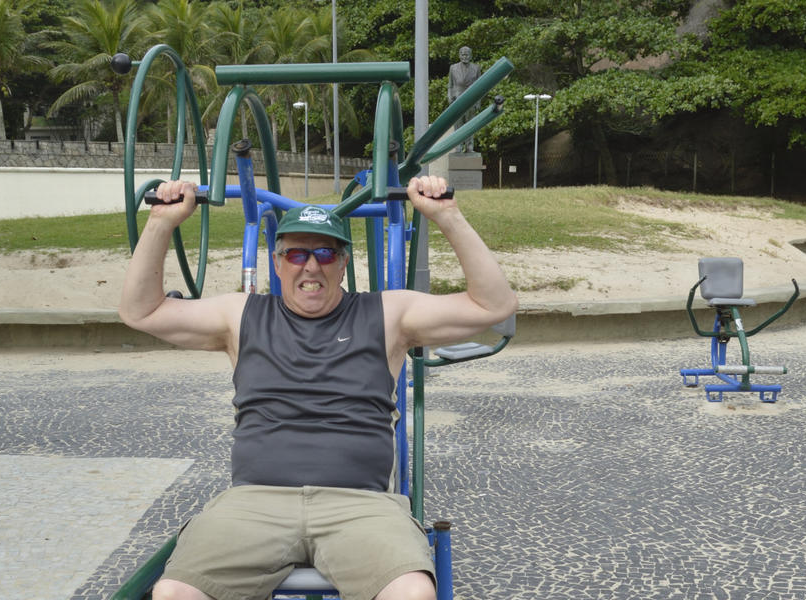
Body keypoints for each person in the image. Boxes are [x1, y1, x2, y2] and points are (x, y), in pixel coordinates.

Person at [120, 175, 517, 600]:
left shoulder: (387, 313)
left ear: (343, 262)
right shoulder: (240, 315)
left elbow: (493, 306)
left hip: (359, 507)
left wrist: (446, 214)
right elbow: (140, 312)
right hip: (254, 504)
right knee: (174, 593)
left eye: (325, 252)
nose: (311, 266)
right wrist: (162, 221)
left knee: (412, 593)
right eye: (296, 253)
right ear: (277, 262)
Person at [447, 46, 482, 153]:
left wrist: (478, 102)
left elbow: (480, 86)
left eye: (467, 54)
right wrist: (449, 97)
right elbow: (450, 85)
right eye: (462, 54)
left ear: (470, 56)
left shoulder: (476, 68)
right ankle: (458, 146)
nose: (465, 56)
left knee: (470, 125)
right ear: (459, 55)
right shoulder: (453, 68)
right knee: (458, 124)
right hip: (457, 99)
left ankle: (469, 146)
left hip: (471, 99)